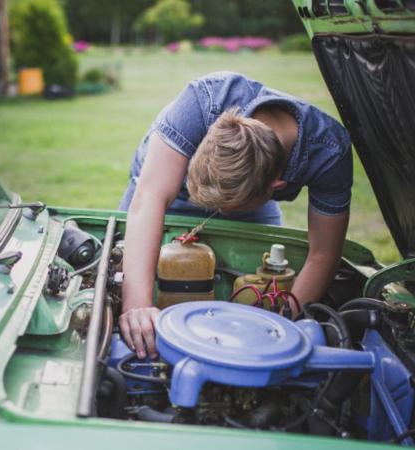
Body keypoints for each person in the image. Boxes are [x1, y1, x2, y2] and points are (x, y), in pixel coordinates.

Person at [118, 71, 352, 359]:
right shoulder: (203, 101)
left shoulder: (330, 151)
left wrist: (278, 328)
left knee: (259, 279)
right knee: (127, 269)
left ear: (276, 187)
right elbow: (148, 200)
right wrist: (136, 307)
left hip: (248, 197)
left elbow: (323, 254)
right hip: (164, 181)